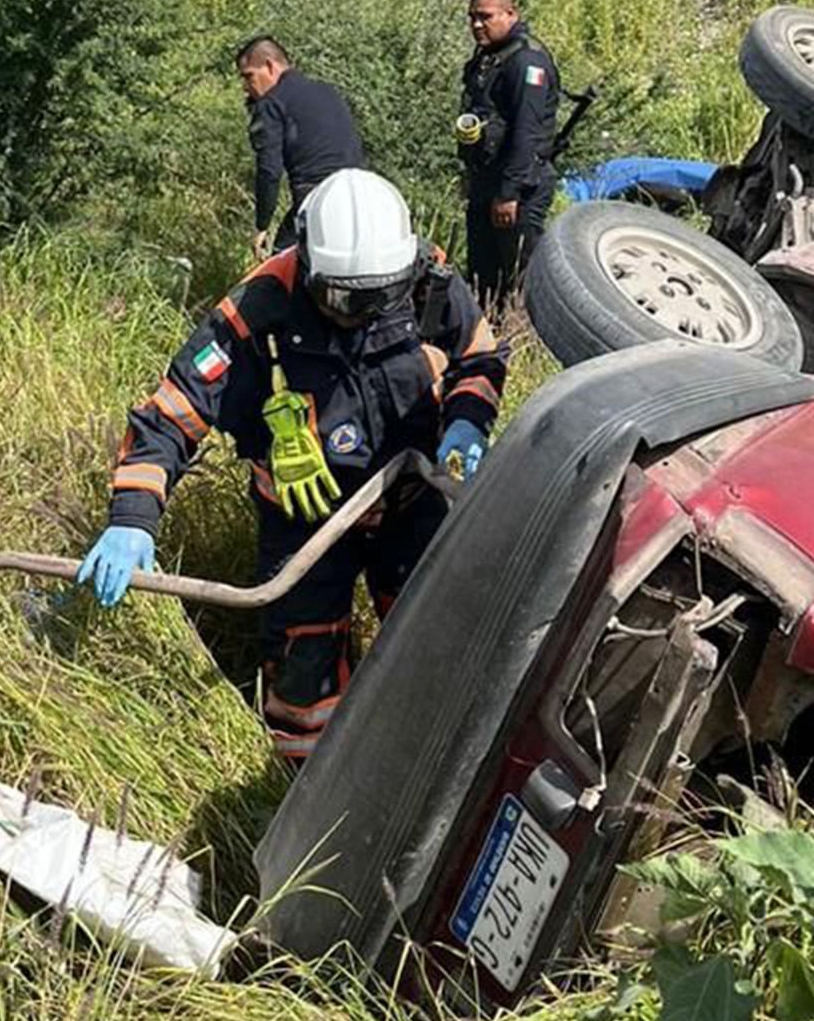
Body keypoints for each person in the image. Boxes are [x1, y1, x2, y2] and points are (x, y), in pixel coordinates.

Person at [77, 169, 508, 760]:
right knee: (304, 679)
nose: (361, 313)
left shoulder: (422, 281)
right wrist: (132, 516)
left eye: (376, 296)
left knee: (439, 641)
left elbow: (479, 360)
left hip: (412, 503)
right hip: (304, 529)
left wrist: (465, 421)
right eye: (343, 298)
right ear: (308, 264)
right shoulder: (258, 313)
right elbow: (170, 415)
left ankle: (437, 758)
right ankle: (314, 791)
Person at [457, 0, 559, 306]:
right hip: (487, 180)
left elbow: (526, 133)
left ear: (510, 13)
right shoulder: (491, 57)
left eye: (485, 17)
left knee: (520, 278)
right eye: (472, 17)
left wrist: (508, 192)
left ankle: (528, 341)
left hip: (519, 187)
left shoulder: (526, 61)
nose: (476, 25)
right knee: (482, 278)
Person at [236, 36, 367, 258]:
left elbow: (269, 171)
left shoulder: (271, 104)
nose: (246, 87)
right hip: (361, 194)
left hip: (315, 199)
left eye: (249, 76)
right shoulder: (327, 91)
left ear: (269, 66)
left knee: (278, 266)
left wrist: (262, 225)